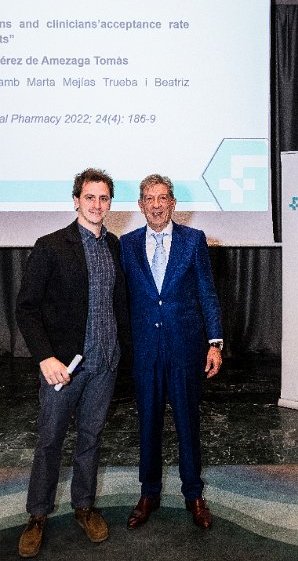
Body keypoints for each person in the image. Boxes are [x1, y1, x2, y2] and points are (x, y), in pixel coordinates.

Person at [15, 168, 131, 558]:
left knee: (91, 438)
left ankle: (84, 506)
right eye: (89, 197)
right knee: (50, 440)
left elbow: (117, 304)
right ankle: (37, 515)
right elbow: (27, 308)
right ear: (76, 200)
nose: (97, 204)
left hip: (105, 364)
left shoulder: (113, 245)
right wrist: (45, 357)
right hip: (64, 368)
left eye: (104, 198)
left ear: (110, 203)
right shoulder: (50, 246)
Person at [120, 174, 223, 531]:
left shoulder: (193, 240)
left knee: (187, 423)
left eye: (162, 197)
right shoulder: (126, 244)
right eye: (149, 198)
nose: (156, 205)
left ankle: (193, 495)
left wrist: (215, 342)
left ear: (173, 203)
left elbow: (207, 293)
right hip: (145, 351)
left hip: (185, 349)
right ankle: (148, 493)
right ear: (140, 205)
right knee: (147, 423)